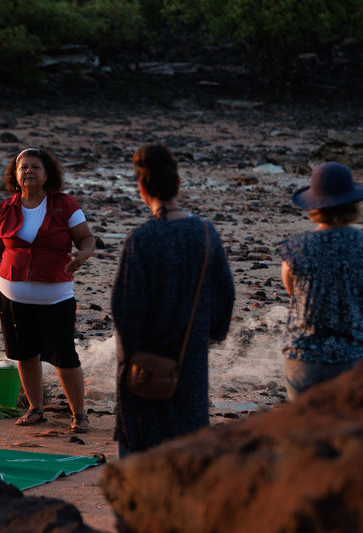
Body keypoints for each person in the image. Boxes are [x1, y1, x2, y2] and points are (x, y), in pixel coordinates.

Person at [0, 147, 95, 432]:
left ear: (47, 174)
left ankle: (79, 414)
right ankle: (35, 409)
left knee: (65, 357)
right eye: (23, 167)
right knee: (24, 354)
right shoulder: (5, 208)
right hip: (11, 297)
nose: (29, 171)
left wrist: (82, 256)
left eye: (36, 167)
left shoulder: (65, 204)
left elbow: (86, 239)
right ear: (15, 175)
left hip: (56, 298)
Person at [111, 143, 235, 456]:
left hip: (144, 366)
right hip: (189, 360)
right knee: (189, 449)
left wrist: (131, 353)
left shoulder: (139, 239)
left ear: (141, 189)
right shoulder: (206, 233)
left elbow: (125, 309)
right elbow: (225, 297)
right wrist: (207, 336)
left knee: (140, 449)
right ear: (178, 184)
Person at [281, 162, 363, 400]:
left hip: (305, 355)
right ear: (353, 204)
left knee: (306, 430)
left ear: (313, 206)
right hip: (359, 354)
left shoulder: (296, 245)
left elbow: (291, 289)